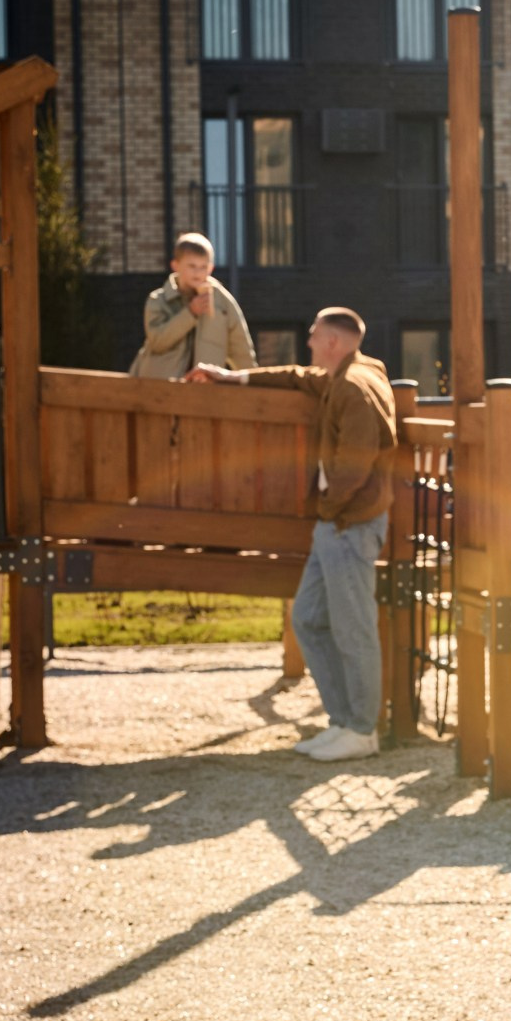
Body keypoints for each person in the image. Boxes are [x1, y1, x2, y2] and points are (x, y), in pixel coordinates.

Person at [188, 309, 397, 761]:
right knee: (307, 618)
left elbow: (356, 463)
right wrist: (232, 377)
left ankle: (362, 730)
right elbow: (296, 376)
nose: (308, 343)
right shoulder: (344, 375)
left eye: (314, 336)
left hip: (349, 525)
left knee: (353, 628)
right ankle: (344, 721)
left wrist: (328, 506)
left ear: (334, 344)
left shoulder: (355, 388)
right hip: (337, 524)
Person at [128, 232, 256, 380]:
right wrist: (190, 313)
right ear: (175, 266)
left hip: (203, 389)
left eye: (203, 267)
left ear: (210, 268)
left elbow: (241, 350)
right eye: (192, 266)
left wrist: (255, 381)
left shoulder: (223, 302)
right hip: (160, 386)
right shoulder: (158, 300)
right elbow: (157, 342)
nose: (198, 272)